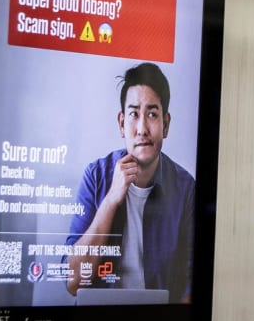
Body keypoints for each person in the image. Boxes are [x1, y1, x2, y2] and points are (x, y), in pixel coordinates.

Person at [66, 62, 194, 303]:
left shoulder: (186, 189)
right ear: (121, 123)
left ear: (165, 125)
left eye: (152, 114)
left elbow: (191, 285)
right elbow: (72, 281)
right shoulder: (96, 176)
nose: (142, 129)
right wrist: (112, 199)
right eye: (134, 114)